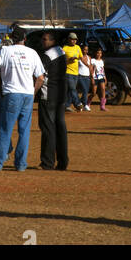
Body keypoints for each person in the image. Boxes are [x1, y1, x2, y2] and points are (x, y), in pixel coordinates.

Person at [0, 27, 45, 172]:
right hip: (27, 94)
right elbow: (41, 77)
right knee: (24, 131)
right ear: (25, 38)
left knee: (5, 129)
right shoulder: (32, 53)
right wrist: (33, 91)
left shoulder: (5, 51)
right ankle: (21, 164)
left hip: (11, 93)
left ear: (11, 38)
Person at [37, 30, 69, 171]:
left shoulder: (47, 55)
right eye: (42, 39)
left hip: (48, 95)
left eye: (45, 40)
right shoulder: (61, 52)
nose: (42, 42)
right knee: (60, 128)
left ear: (53, 41)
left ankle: (47, 162)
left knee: (48, 128)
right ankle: (63, 161)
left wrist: (33, 92)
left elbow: (39, 75)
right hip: (61, 95)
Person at [62, 33, 84, 111]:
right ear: (68, 39)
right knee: (72, 88)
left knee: (70, 90)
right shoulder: (65, 48)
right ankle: (78, 103)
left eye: (75, 39)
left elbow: (81, 57)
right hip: (68, 72)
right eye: (72, 39)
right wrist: (69, 59)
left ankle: (67, 105)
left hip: (76, 72)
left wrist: (88, 65)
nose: (74, 41)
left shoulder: (78, 47)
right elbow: (62, 60)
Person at [91, 46, 107, 111]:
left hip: (101, 77)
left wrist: (105, 77)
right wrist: (92, 78)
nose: (99, 54)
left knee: (103, 89)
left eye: (100, 53)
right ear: (95, 53)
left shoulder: (101, 61)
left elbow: (102, 69)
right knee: (94, 93)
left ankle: (102, 106)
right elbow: (91, 69)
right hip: (95, 78)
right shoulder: (93, 60)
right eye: (97, 53)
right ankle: (88, 102)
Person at [76, 45, 92, 111]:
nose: (85, 51)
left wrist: (91, 76)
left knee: (86, 91)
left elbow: (90, 67)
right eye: (84, 49)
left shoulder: (89, 57)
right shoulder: (78, 57)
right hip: (80, 76)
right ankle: (85, 105)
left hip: (87, 77)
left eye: (87, 49)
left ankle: (80, 104)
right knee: (85, 90)